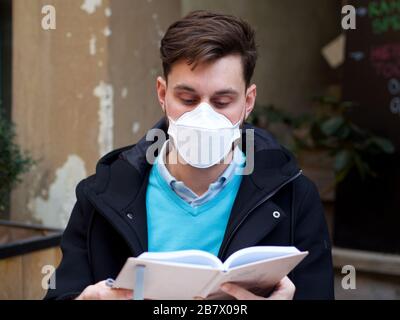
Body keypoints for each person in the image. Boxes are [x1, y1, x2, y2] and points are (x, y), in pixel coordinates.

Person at [44, 10, 334, 300]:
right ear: (162, 93)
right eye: (187, 99)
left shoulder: (294, 197)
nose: (203, 115)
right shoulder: (102, 195)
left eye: (222, 101)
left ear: (248, 101)